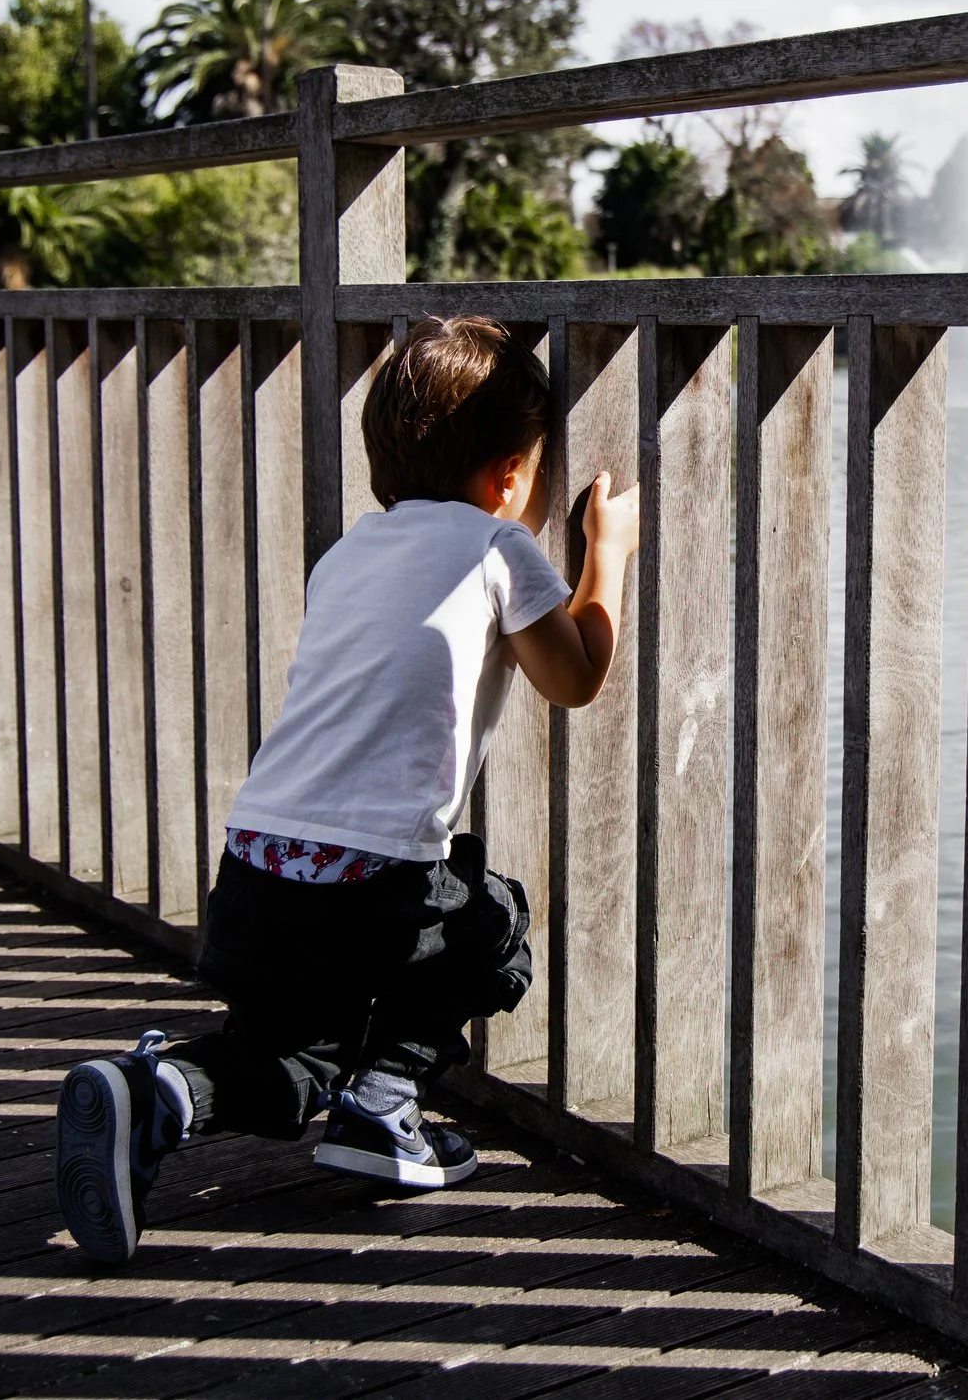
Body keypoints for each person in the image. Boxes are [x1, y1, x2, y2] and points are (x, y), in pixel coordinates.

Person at [53, 315, 641, 1263]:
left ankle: (156, 1093)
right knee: (490, 924)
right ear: (508, 478)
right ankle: (383, 1100)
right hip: (369, 880)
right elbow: (574, 679)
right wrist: (605, 554)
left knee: (289, 1059)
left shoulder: (345, 554)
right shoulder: (500, 549)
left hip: (256, 860)